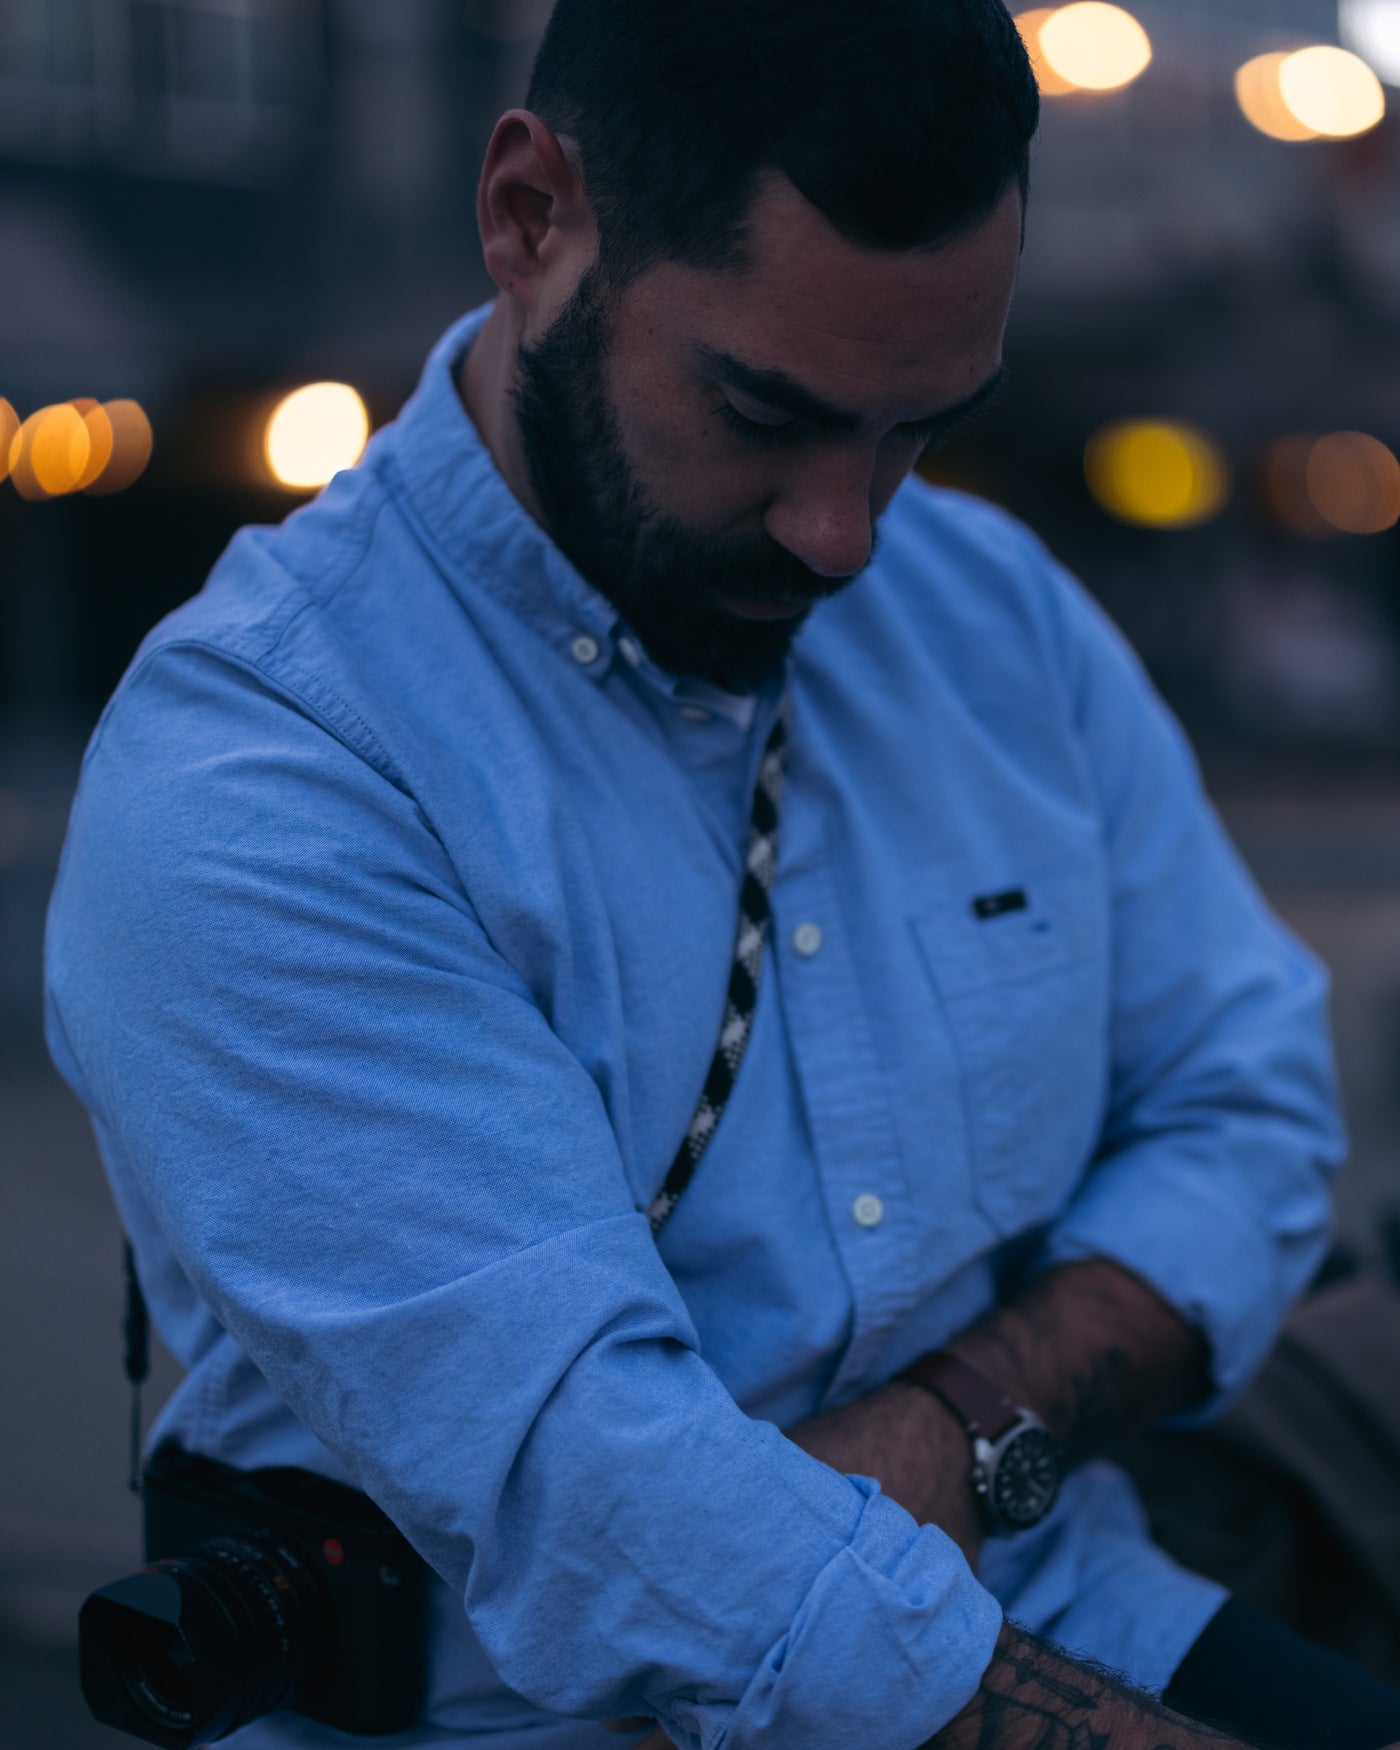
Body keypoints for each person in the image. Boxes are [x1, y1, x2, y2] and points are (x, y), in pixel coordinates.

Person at [43, 2, 1400, 1747]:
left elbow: (1250, 1097)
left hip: (1077, 1596)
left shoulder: (989, 613)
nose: (845, 532)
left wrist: (966, 1416)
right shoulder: (271, 774)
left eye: (918, 429)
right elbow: (604, 1495)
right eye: (764, 411)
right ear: (532, 219)